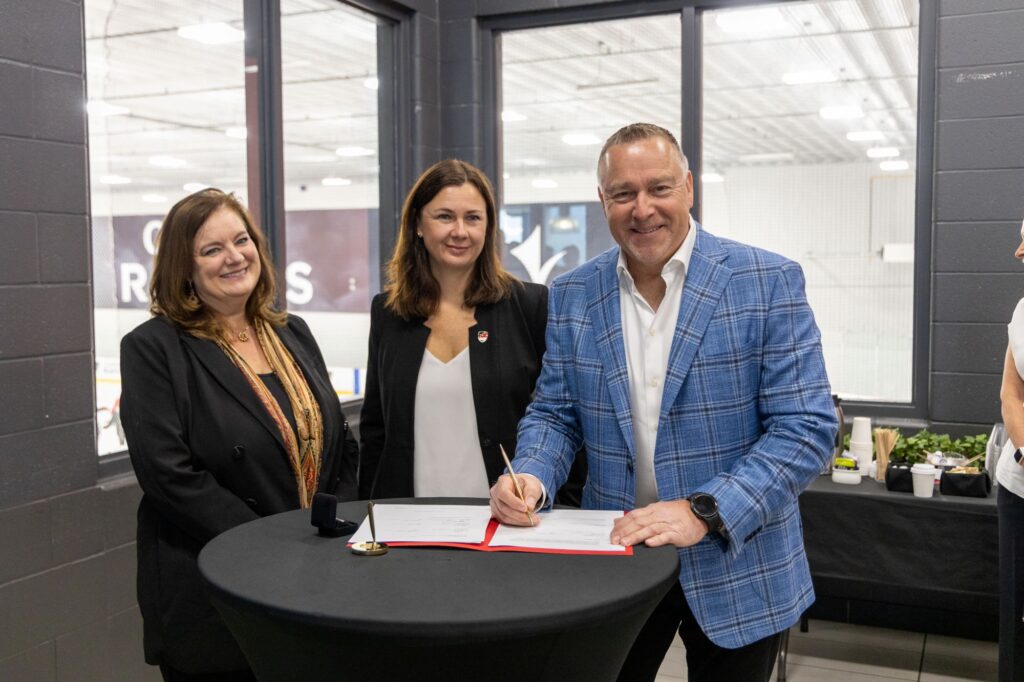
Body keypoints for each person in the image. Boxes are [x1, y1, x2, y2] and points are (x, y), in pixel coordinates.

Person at [490, 123, 836, 682]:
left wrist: (705, 510)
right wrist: (531, 474)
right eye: (623, 194)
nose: (642, 209)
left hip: (740, 560)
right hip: (619, 558)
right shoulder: (574, 292)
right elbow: (556, 412)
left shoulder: (765, 280)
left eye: (659, 188)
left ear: (689, 188)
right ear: (603, 200)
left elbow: (807, 428)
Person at [120, 189, 358, 681]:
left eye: (241, 240)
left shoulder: (293, 332)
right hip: (217, 585)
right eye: (212, 249)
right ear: (184, 268)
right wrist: (269, 544)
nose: (234, 257)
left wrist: (336, 526)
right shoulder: (154, 348)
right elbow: (170, 476)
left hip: (313, 575)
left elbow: (339, 443)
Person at [359, 159, 585, 503]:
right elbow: (376, 430)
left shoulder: (530, 305)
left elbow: (562, 418)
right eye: (445, 216)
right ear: (418, 223)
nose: (460, 231)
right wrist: (367, 515)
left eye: (473, 218)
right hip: (406, 523)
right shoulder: (388, 312)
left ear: (488, 227)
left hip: (506, 522)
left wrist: (561, 505)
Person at [997, 218, 1024, 682]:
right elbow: (1011, 395)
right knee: (1017, 615)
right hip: (1018, 486)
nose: (1019, 252)